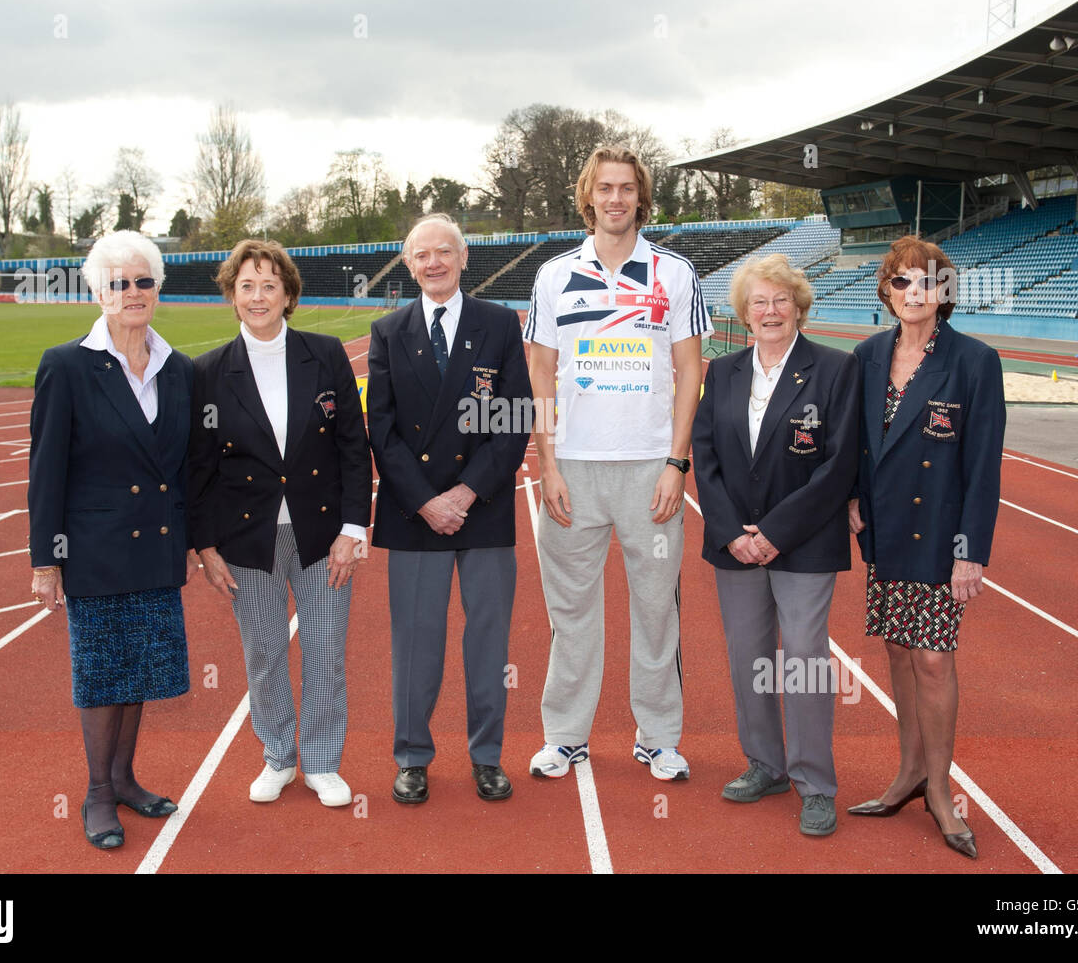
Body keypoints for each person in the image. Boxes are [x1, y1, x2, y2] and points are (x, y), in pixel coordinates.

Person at [523, 145, 709, 781]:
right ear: (588, 196)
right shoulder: (552, 276)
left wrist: (675, 463)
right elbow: (540, 375)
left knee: (657, 609)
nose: (616, 199)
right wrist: (548, 464)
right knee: (570, 612)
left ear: (641, 197)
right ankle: (565, 735)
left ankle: (658, 737)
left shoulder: (675, 273)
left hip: (648, 471)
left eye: (627, 188)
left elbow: (690, 371)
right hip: (573, 468)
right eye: (605, 188)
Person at [188, 239, 371, 808]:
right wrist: (205, 546)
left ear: (289, 294)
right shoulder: (208, 373)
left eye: (270, 284)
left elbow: (352, 448)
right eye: (247, 285)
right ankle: (278, 757)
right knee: (264, 653)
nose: (259, 295)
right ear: (233, 296)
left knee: (323, 649)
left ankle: (321, 762)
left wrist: (354, 529)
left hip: (323, 536)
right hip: (247, 537)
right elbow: (198, 467)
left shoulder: (326, 354)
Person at [28, 229, 195, 850]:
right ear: (97, 291)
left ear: (158, 288)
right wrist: (46, 559)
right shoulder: (67, 365)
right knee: (102, 675)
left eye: (142, 280)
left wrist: (197, 542)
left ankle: (124, 778)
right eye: (117, 282)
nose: (131, 292)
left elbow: (184, 468)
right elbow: (46, 470)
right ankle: (97, 793)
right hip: (93, 551)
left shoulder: (178, 370)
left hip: (154, 547)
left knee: (140, 671)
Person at [846, 235, 1005, 860]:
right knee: (899, 653)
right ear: (886, 292)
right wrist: (854, 498)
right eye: (903, 281)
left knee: (934, 659)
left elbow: (982, 465)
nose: (916, 293)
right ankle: (909, 771)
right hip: (886, 532)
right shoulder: (866, 355)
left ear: (946, 292)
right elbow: (857, 442)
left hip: (941, 532)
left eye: (929, 281)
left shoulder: (973, 361)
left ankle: (940, 789)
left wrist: (972, 552)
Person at [691, 253, 859, 837]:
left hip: (805, 543)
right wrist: (733, 531)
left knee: (807, 661)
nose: (769, 311)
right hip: (734, 544)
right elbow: (705, 456)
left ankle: (815, 783)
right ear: (743, 312)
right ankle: (765, 764)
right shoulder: (725, 371)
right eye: (758, 302)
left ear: (799, 308)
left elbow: (839, 466)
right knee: (749, 659)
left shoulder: (836, 370)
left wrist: (777, 532)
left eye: (780, 300)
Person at [367, 213, 532, 804]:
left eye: (443, 252)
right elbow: (382, 432)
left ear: (463, 259)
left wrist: (465, 493)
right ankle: (412, 756)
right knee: (416, 643)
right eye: (420, 255)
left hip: (482, 508)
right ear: (408, 264)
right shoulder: (388, 332)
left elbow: (512, 421)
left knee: (488, 641)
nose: (432, 263)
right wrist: (427, 501)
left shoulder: (498, 324)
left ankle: (487, 756)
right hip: (415, 513)